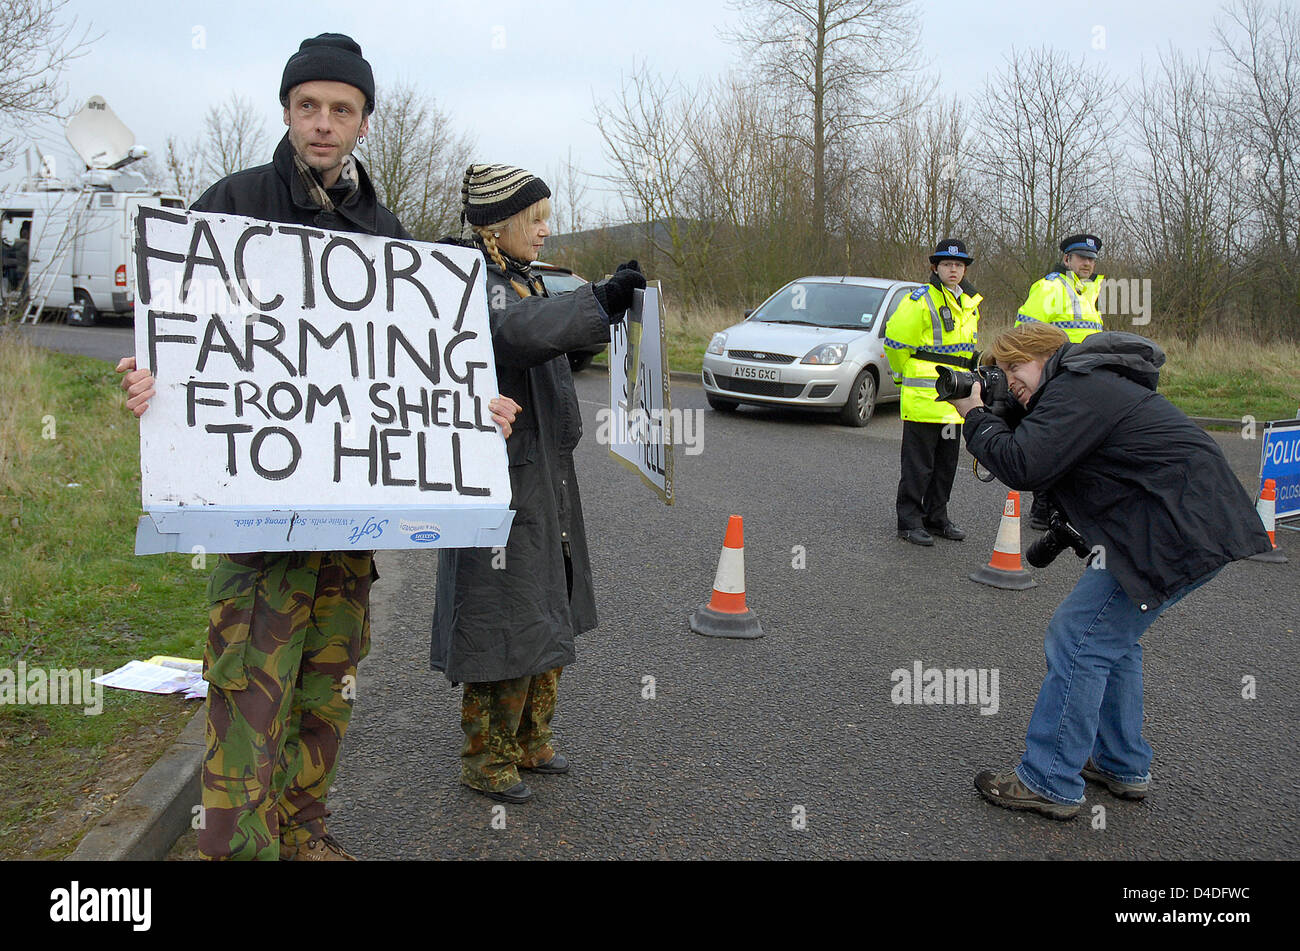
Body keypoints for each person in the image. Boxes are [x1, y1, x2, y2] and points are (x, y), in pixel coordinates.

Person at [117, 34, 520, 860]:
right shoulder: (229, 205)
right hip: (257, 534)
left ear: (365, 121)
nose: (323, 123)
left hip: (349, 535)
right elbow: (184, 347)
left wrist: (469, 412)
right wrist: (148, 384)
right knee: (244, 702)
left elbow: (413, 365)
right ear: (288, 111)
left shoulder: (386, 232)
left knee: (323, 700)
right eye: (309, 106)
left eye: (342, 109)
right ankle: (236, 852)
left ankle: (306, 838)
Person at [950, 324, 1271, 820]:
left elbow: (1024, 464)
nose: (1008, 380)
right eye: (1001, 373)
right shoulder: (1081, 384)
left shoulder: (1077, 387)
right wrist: (1005, 410)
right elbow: (1045, 452)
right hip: (1181, 522)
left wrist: (974, 417)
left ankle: (1049, 779)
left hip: (1174, 529)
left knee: (1078, 637)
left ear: (1045, 355)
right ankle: (1121, 764)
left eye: (1014, 368)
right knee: (1109, 640)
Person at [430, 164, 645, 804]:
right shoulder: (473, 283)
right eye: (537, 219)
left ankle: (529, 738)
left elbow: (546, 330)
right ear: (500, 223)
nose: (548, 231)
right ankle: (484, 756)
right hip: (500, 474)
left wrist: (602, 306)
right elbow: (515, 335)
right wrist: (598, 300)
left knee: (546, 601)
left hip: (544, 467)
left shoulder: (523, 279)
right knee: (502, 610)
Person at [884, 238, 982, 546]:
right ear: (935, 268)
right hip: (925, 397)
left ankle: (936, 517)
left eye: (959, 265)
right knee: (918, 465)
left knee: (946, 465)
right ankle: (909, 521)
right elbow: (896, 343)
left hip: (954, 399)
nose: (954, 270)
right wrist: (903, 379)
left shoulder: (969, 302)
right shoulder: (920, 300)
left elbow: (965, 351)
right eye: (947, 265)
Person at [1016, 233, 1107, 529]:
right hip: (1056, 375)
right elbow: (1025, 332)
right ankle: (1042, 508)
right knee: (1051, 442)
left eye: (1091, 259)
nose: (1088, 263)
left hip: (1085, 376)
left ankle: (1063, 508)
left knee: (1077, 442)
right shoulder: (1049, 287)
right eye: (1082, 258)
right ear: (1067, 259)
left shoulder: (1089, 292)